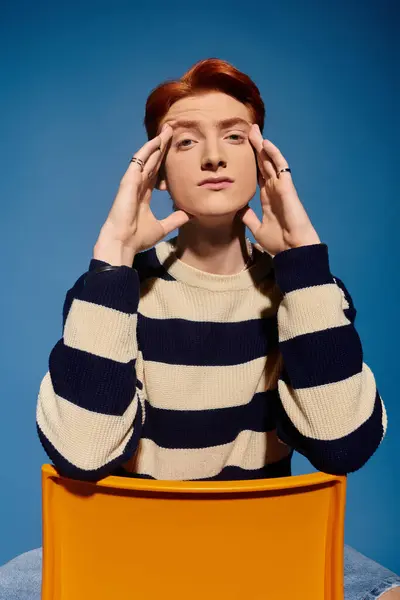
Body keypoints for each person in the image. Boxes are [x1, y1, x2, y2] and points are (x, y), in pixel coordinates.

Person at [1, 58, 399, 599]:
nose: (213, 155)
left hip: (262, 551)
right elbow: (82, 455)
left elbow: (343, 447)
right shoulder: (110, 296)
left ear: (263, 160)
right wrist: (113, 258)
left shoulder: (308, 292)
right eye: (186, 142)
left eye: (235, 136)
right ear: (156, 171)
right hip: (128, 552)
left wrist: (304, 262)